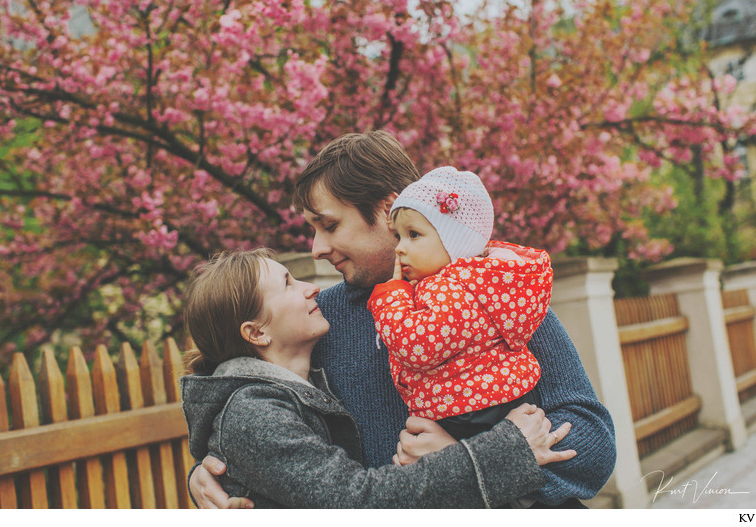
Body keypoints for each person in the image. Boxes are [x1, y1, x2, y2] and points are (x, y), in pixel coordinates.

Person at [188, 130, 616, 508]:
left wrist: (467, 457)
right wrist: (207, 474)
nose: (316, 248)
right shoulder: (318, 321)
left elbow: (593, 441)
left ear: (388, 210)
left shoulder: (496, 293)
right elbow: (245, 406)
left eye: (330, 225)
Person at [180, 248, 575, 508]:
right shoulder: (254, 413)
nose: (311, 286)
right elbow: (358, 502)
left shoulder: (298, 386)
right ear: (256, 333)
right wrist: (509, 450)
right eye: (287, 283)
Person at [368, 166, 553, 440]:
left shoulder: (451, 288)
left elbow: (417, 346)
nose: (399, 247)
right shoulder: (482, 281)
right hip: (497, 398)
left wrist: (392, 298)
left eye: (414, 235)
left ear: (454, 243)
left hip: (467, 409)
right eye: (398, 236)